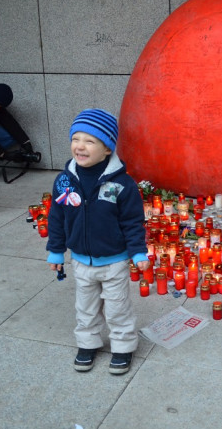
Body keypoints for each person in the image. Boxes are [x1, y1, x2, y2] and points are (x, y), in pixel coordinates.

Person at [45, 109, 149, 373]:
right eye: (76, 138)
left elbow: (132, 222)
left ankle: (123, 348)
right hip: (81, 260)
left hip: (114, 261)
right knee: (86, 307)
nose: (80, 146)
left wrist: (137, 252)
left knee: (117, 308)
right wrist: (56, 251)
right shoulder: (65, 180)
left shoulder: (123, 185)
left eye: (90, 141)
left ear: (107, 150)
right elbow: (57, 217)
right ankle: (88, 343)